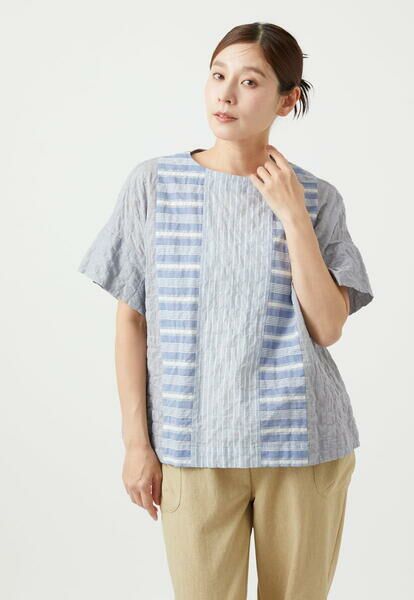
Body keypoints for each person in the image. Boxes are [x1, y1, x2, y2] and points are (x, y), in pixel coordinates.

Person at [77, 21, 375, 600]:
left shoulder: (318, 198)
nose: (226, 94)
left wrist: (292, 215)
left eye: (250, 81)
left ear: (287, 100)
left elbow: (327, 326)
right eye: (218, 76)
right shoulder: (154, 185)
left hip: (303, 444)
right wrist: (136, 444)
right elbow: (132, 320)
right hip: (192, 445)